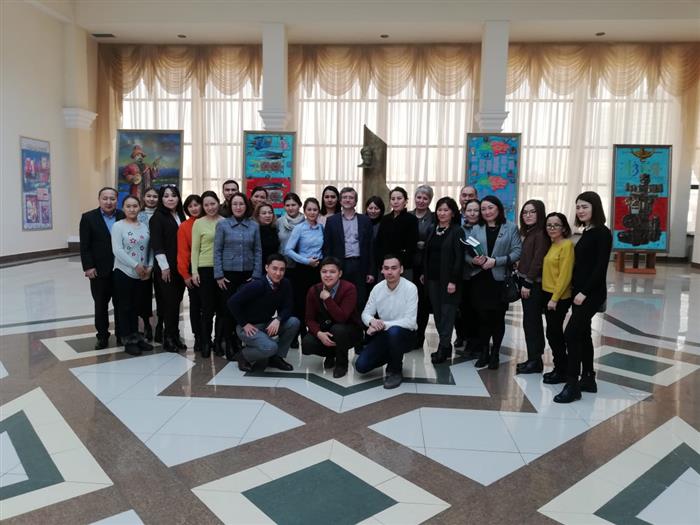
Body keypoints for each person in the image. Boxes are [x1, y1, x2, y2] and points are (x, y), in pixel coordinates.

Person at [554, 191, 612, 404]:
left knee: (571, 334)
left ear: (595, 207)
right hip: (579, 292)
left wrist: (584, 293)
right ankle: (588, 378)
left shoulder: (602, 233)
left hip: (590, 293)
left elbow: (600, 268)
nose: (580, 210)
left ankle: (572, 385)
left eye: (585, 206)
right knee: (583, 334)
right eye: (578, 207)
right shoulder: (587, 231)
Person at [467, 195, 522, 370]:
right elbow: (467, 252)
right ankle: (484, 352)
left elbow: (517, 252)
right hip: (480, 279)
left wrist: (496, 261)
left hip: (499, 280)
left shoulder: (510, 227)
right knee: (482, 318)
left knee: (497, 318)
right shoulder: (476, 228)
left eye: (490, 208)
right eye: (483, 209)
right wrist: (473, 260)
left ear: (498, 208)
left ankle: (495, 353)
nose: (487, 212)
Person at [228, 254, 300, 373]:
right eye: (274, 268)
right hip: (248, 328)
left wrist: (278, 319)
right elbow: (232, 302)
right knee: (271, 347)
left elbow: (288, 307)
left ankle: (276, 358)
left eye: (282, 270)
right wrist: (244, 324)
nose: (278, 273)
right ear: (267, 268)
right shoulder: (258, 285)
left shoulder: (285, 283)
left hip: (266, 324)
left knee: (294, 322)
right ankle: (243, 355)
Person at [355, 254, 418, 389]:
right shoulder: (377, 288)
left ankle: (396, 370)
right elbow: (365, 314)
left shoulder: (410, 288)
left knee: (394, 332)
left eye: (394, 268)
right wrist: (372, 321)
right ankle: (392, 356)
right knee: (361, 366)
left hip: (406, 336)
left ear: (401, 269)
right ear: (382, 270)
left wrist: (382, 324)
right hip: (384, 334)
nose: (389, 272)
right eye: (386, 268)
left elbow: (410, 322)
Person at [214, 192, 262, 359]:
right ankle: (229, 343)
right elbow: (217, 250)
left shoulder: (254, 225)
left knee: (245, 310)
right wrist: (219, 275)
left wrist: (256, 274)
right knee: (228, 310)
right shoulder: (222, 224)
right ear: (230, 206)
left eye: (241, 204)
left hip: (248, 274)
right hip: (228, 274)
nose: (238, 207)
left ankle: (241, 342)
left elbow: (258, 250)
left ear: (246, 206)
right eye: (235, 204)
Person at [302, 257, 364, 378]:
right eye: (324, 271)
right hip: (327, 329)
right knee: (307, 343)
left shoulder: (349, 288)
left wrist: (327, 298)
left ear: (340, 273)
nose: (327, 275)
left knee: (338, 329)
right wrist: (319, 333)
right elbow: (309, 319)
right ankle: (331, 354)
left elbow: (342, 318)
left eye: (332, 272)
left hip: (349, 330)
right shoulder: (313, 290)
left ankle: (342, 364)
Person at [79, 187, 125, 349]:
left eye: (112, 198)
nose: (108, 202)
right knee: (100, 304)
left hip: (121, 269)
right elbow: (85, 245)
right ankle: (102, 336)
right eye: (105, 198)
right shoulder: (88, 218)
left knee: (121, 304)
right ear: (99, 199)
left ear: (117, 200)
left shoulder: (123, 216)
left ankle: (122, 334)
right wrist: (88, 266)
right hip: (99, 270)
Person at [421, 197, 464, 363]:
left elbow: (459, 258)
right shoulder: (433, 229)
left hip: (449, 281)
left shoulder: (457, 231)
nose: (442, 213)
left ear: (453, 213)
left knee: (447, 314)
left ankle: (443, 346)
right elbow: (428, 254)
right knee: (438, 314)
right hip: (432, 279)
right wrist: (424, 273)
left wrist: (453, 280)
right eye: (439, 210)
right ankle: (445, 346)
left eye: (446, 210)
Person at [111, 195, 154, 356]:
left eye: (135, 206)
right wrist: (135, 265)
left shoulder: (144, 226)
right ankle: (128, 340)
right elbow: (117, 250)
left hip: (142, 273)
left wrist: (150, 266)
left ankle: (137, 337)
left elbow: (150, 248)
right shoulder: (118, 226)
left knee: (137, 306)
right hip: (124, 272)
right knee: (125, 307)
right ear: (123, 208)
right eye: (128, 206)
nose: (132, 209)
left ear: (139, 207)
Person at [150, 185, 187, 352]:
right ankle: (169, 338)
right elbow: (157, 244)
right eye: (166, 196)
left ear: (178, 198)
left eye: (173, 195)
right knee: (169, 304)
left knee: (176, 302)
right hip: (166, 269)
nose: (170, 199)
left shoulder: (180, 215)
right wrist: (164, 267)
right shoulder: (157, 217)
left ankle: (175, 335)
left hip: (180, 267)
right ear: (161, 199)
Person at [323, 187, 374, 308]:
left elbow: (370, 247)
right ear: (340, 201)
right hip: (339, 264)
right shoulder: (331, 221)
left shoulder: (365, 220)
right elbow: (327, 247)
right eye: (345, 197)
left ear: (355, 201)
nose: (347, 200)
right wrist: (328, 269)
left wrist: (371, 271)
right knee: (340, 297)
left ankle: (359, 319)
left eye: (351, 198)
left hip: (360, 264)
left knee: (360, 298)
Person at [516, 200, 550, 374]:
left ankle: (535, 360)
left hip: (533, 284)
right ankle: (533, 358)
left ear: (540, 213)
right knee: (529, 322)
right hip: (527, 281)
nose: (527, 215)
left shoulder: (541, 233)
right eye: (525, 212)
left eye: (532, 212)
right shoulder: (530, 232)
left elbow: (538, 260)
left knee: (532, 322)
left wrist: (528, 282)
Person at [541, 212, 575, 386]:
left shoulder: (566, 245)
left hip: (559, 297)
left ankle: (562, 370)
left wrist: (554, 298)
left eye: (556, 225)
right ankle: (559, 368)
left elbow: (565, 275)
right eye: (549, 225)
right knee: (552, 333)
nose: (552, 228)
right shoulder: (552, 244)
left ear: (564, 227)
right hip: (548, 293)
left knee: (554, 334)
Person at [285, 197, 324, 342]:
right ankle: (298, 333)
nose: (312, 212)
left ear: (318, 211)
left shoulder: (321, 228)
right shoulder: (299, 228)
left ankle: (314, 332)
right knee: (301, 302)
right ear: (305, 211)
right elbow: (288, 250)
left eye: (315, 210)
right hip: (302, 269)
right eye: (309, 209)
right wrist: (306, 261)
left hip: (318, 269)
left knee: (316, 301)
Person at [190, 192, 223, 358]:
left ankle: (218, 342)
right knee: (207, 308)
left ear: (218, 203)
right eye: (206, 205)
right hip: (205, 269)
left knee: (222, 308)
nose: (210, 207)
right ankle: (205, 342)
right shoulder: (199, 223)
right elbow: (195, 249)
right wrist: (194, 271)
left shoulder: (225, 221)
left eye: (213, 203)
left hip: (222, 269)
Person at [176, 194, 204, 353]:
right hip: (193, 270)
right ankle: (198, 337)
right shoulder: (184, 226)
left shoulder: (211, 221)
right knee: (195, 305)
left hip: (211, 268)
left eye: (196, 204)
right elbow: (183, 252)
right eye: (190, 206)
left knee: (210, 305)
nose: (194, 208)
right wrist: (185, 274)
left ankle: (211, 336)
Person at [410, 185, 435, 350]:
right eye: (419, 197)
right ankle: (408, 334)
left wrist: (425, 245)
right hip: (408, 266)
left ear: (430, 200)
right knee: (408, 301)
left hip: (425, 266)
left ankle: (419, 336)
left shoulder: (433, 218)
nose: (421, 201)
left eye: (425, 198)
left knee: (422, 304)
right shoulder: (408, 215)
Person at [375, 187, 419, 280]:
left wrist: (399, 264)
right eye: (393, 199)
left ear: (405, 201)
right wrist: (382, 263)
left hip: (404, 266)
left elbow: (412, 246)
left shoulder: (412, 219)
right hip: (385, 265)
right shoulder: (385, 219)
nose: (395, 202)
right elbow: (379, 243)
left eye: (399, 198)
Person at [456, 199, 482, 357]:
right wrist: (471, 260)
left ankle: (480, 343)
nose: (472, 213)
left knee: (480, 311)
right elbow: (460, 251)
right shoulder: (460, 230)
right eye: (469, 210)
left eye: (476, 210)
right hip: (465, 275)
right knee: (466, 310)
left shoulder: (485, 228)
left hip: (482, 275)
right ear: (464, 213)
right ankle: (469, 341)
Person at [137, 186, 160, 341]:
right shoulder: (138, 215)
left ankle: (160, 325)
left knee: (161, 294)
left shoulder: (162, 214)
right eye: (149, 196)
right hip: (143, 261)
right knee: (143, 295)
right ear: (144, 198)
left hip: (160, 260)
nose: (151, 199)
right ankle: (146, 324)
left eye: (155, 196)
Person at [364, 196, 385, 289]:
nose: (373, 211)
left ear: (381, 210)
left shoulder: (384, 223)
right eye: (370, 208)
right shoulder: (361, 222)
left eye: (376, 208)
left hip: (379, 264)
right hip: (363, 262)